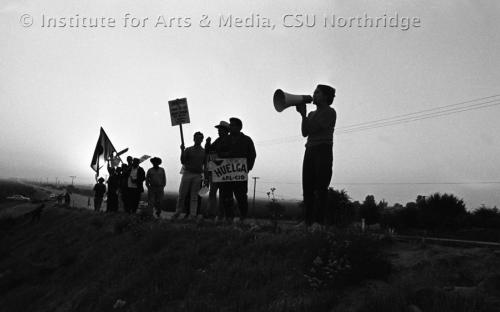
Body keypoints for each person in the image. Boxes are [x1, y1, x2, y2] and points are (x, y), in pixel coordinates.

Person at [295, 84, 337, 227]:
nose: (314, 95)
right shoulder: (311, 114)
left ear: (326, 96)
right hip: (310, 150)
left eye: (317, 92)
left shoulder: (330, 112)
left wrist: (304, 115)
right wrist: (303, 115)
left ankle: (318, 222)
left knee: (320, 187)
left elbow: (313, 128)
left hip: (323, 150)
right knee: (307, 187)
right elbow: (304, 132)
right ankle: (307, 221)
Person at [219, 117, 256, 223]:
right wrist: (226, 155)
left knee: (241, 196)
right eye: (230, 125)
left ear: (239, 127)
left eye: (233, 125)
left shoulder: (247, 140)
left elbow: (252, 155)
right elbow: (219, 153)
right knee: (226, 196)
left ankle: (243, 217)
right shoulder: (225, 139)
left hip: (240, 174)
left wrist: (247, 168)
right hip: (226, 173)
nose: (230, 127)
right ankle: (228, 217)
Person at [173, 131, 206, 219]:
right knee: (182, 194)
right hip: (187, 173)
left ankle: (192, 214)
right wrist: (182, 150)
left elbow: (206, 165)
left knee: (194, 196)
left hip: (198, 175)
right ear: (194, 138)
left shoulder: (204, 152)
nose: (198, 139)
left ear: (202, 140)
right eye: (196, 138)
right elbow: (183, 161)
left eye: (200, 138)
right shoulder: (188, 149)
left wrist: (205, 177)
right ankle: (178, 212)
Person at [204, 121, 230, 220]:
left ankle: (219, 214)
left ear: (225, 131)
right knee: (213, 193)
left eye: (220, 130)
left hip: (224, 171)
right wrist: (207, 143)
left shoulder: (229, 140)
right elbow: (209, 151)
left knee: (222, 194)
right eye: (218, 130)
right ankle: (212, 213)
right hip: (216, 171)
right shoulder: (218, 140)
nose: (218, 131)